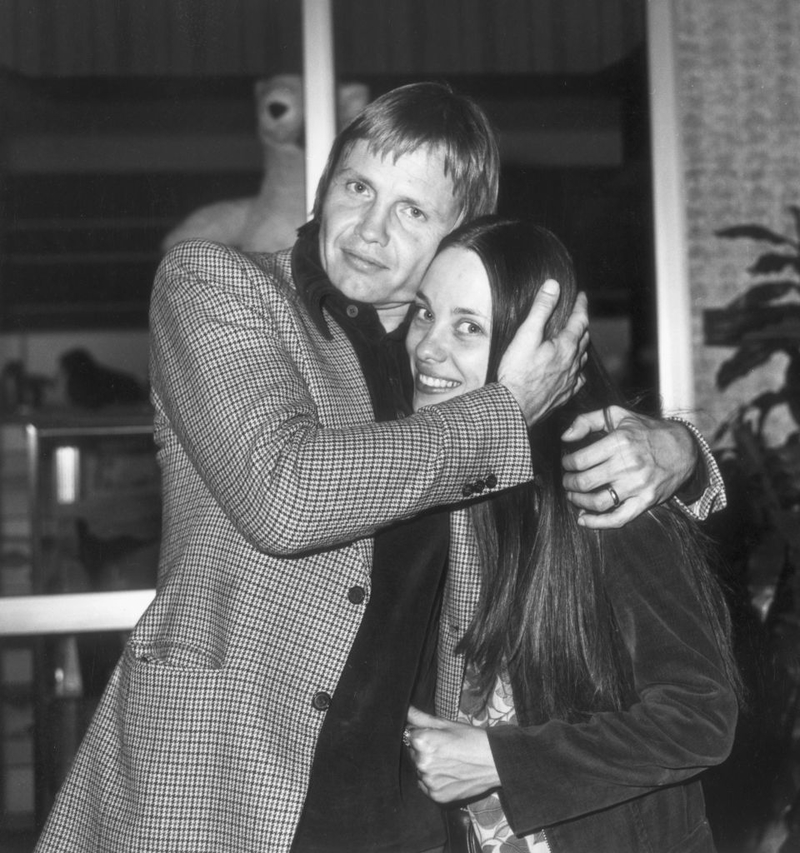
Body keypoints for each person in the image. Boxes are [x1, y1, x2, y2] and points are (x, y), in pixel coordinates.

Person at [36, 83, 722, 853]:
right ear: (326, 183)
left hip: (400, 823)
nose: (369, 228)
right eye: (359, 187)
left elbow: (584, 480)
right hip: (216, 795)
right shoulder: (220, 288)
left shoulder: (452, 374)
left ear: (461, 236)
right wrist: (504, 409)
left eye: (413, 211)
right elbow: (284, 493)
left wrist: (681, 453)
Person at [403, 217, 740, 853]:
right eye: (425, 314)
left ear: (540, 350)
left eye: (469, 326)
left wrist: (504, 761)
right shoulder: (421, 480)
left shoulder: (599, 482)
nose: (428, 347)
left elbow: (699, 717)